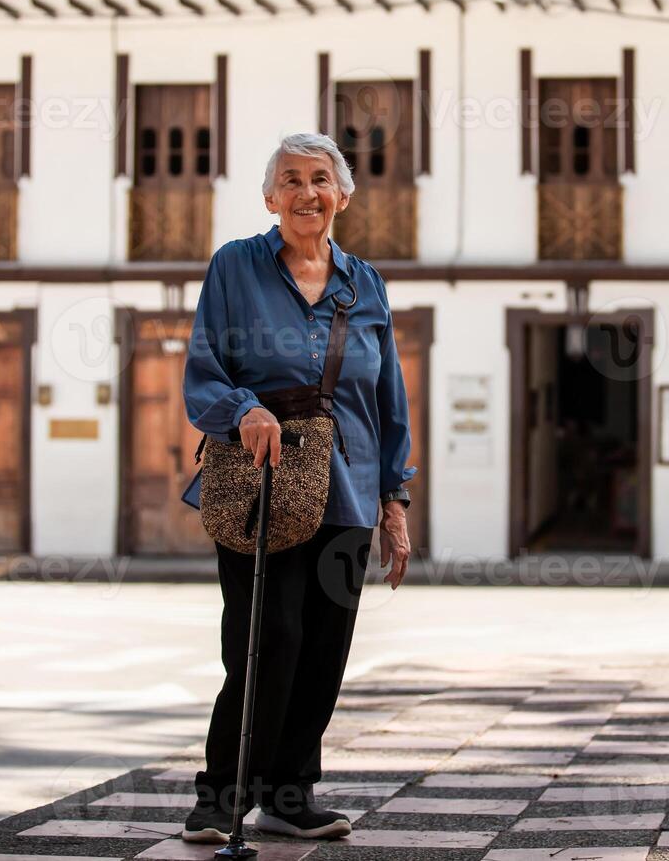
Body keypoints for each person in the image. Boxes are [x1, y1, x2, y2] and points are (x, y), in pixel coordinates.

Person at [178, 132, 415, 842]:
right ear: (270, 197)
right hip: (264, 484)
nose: (306, 192)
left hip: (351, 490)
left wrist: (394, 502)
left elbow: (388, 394)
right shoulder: (236, 267)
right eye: (291, 179)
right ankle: (220, 797)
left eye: (320, 179)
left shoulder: (364, 283)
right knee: (264, 638)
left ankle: (288, 795)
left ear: (342, 196)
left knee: (323, 649)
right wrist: (241, 408)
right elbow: (204, 368)